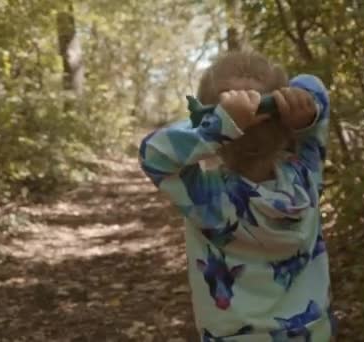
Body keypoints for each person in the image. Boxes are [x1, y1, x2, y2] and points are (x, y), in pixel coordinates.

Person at [138, 51, 334, 341]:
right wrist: (301, 106)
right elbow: (313, 87)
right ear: (284, 126)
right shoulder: (305, 179)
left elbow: (154, 153)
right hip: (314, 332)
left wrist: (220, 123)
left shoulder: (207, 199)